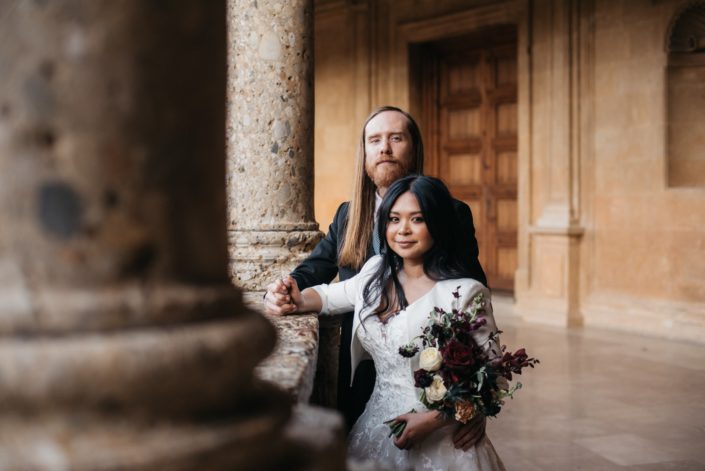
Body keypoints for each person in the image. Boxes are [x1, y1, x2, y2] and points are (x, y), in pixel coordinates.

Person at [264, 106, 487, 449]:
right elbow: (318, 273)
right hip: (365, 370)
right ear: (365, 153)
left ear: (414, 149)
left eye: (396, 138)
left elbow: (475, 321)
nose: (384, 148)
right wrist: (286, 290)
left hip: (433, 384)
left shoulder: (452, 214)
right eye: (375, 140)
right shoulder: (349, 215)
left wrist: (469, 405)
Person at [277, 175, 505, 470]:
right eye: (394, 219)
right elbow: (328, 296)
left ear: (438, 223)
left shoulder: (464, 292)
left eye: (417, 219)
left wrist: (435, 420)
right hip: (374, 426)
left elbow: (494, 376)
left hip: (442, 441)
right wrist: (293, 296)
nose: (403, 230)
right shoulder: (375, 271)